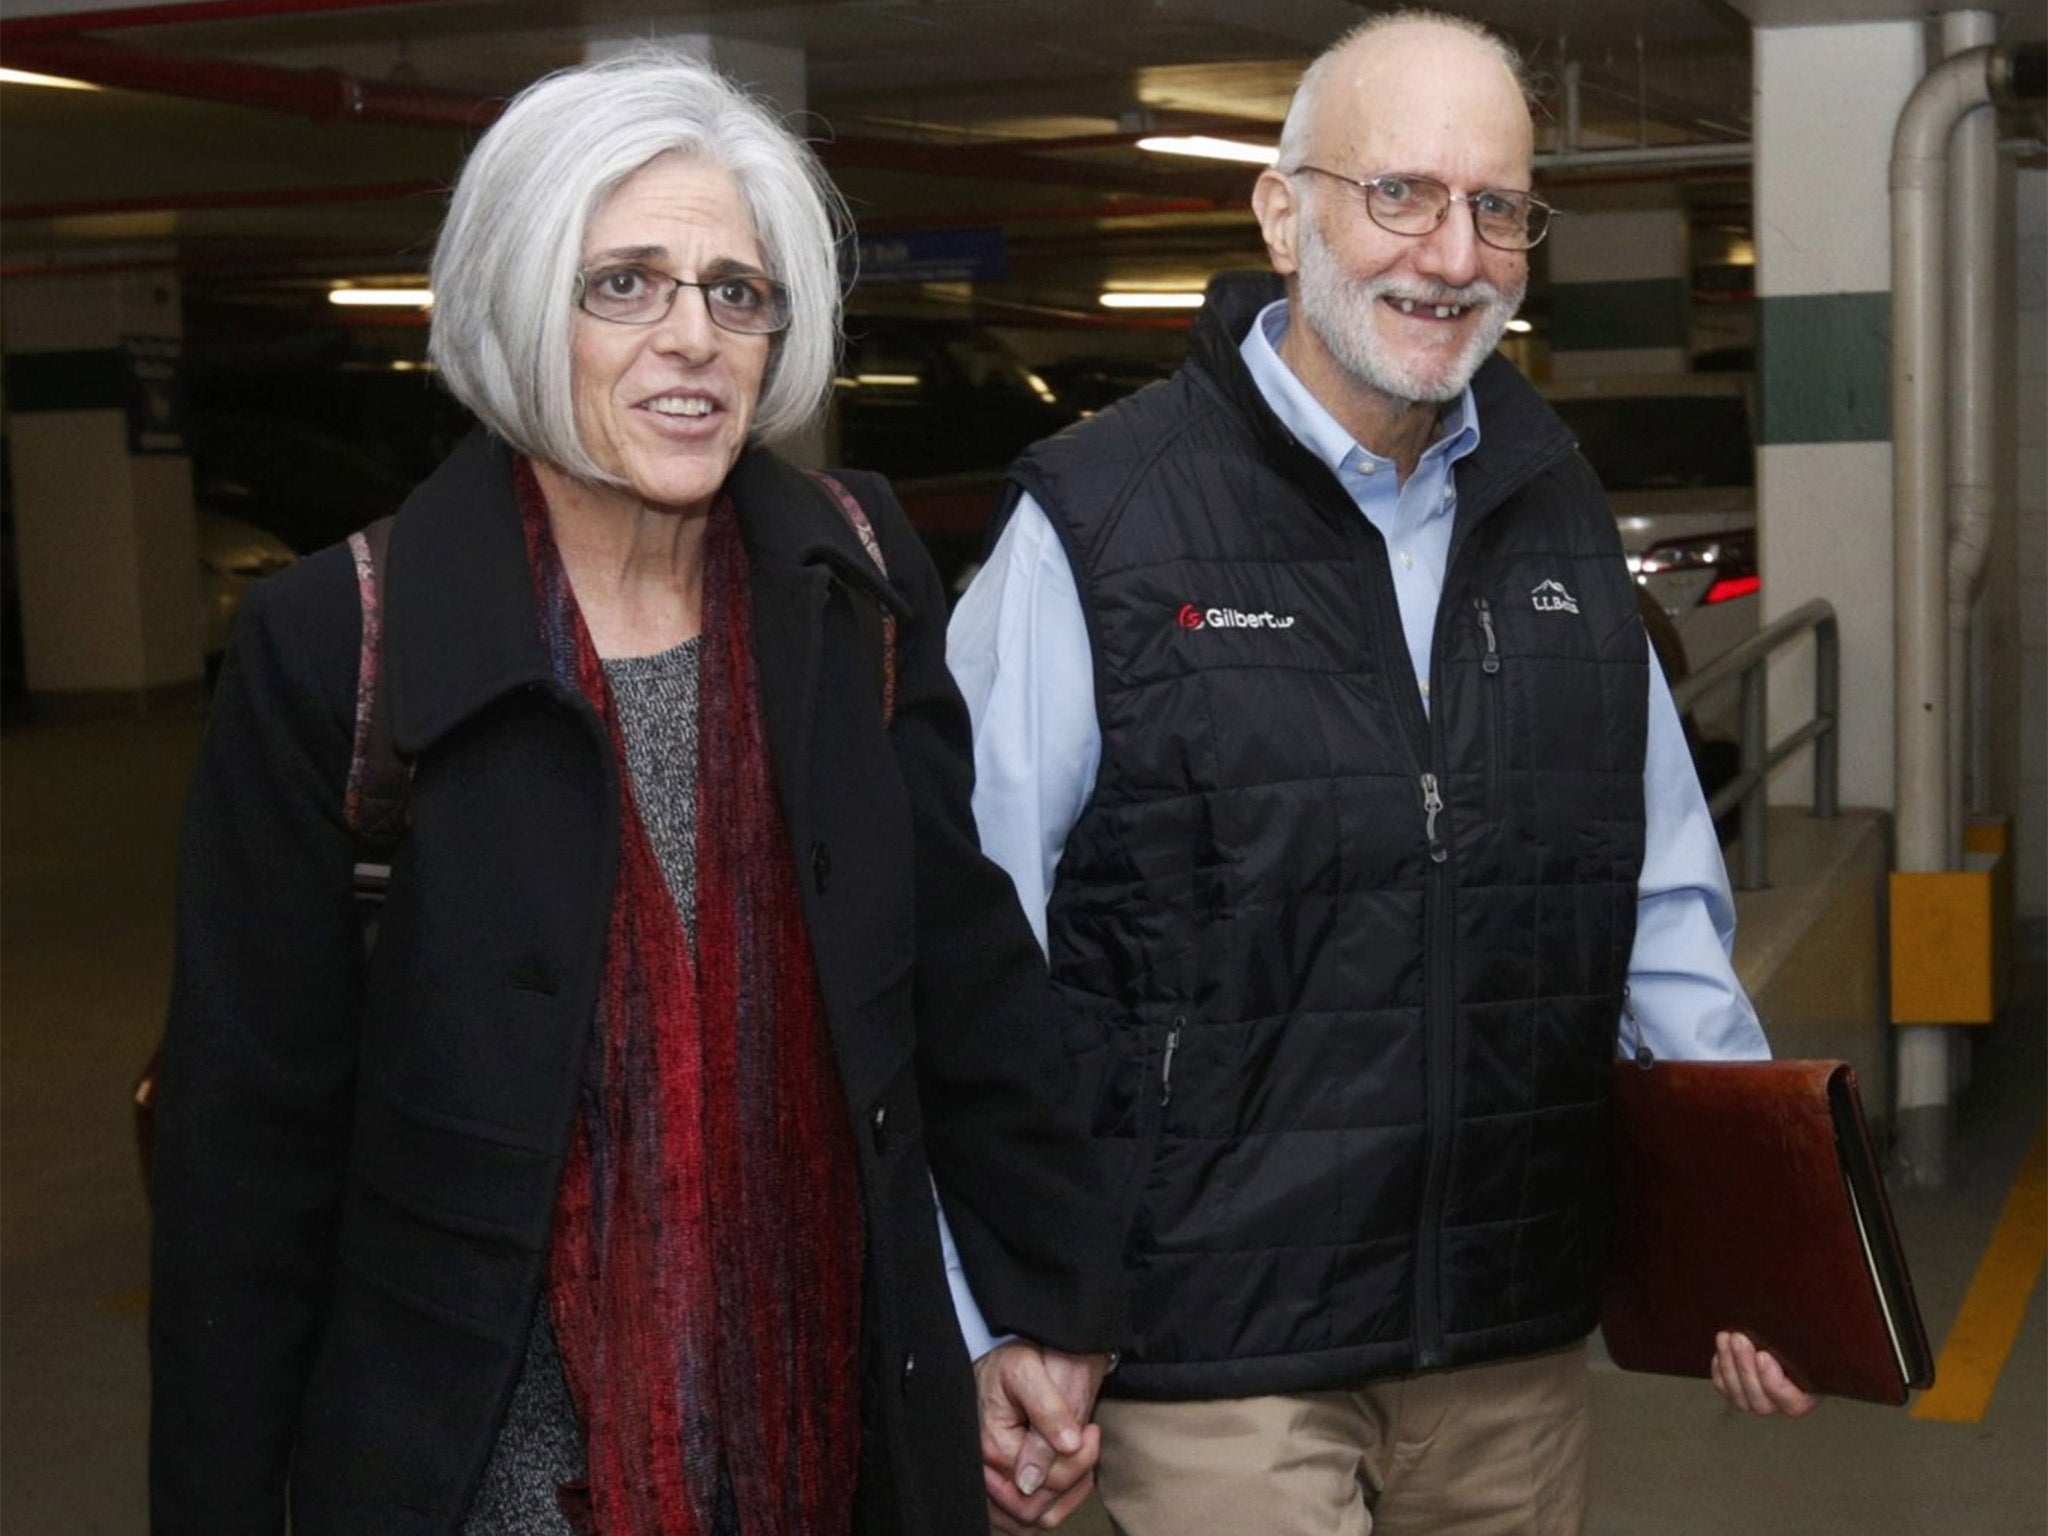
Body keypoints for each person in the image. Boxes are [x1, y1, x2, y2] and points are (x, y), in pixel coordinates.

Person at [149, 51, 1122, 1536]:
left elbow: (964, 973)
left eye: (737, 292)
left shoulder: (847, 587)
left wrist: (1043, 1298)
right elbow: (246, 1164)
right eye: (626, 286)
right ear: (519, 303)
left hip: (834, 1427)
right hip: (492, 1465)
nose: (695, 340)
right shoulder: (339, 645)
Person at [947, 12, 1815, 1535]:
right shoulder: (1099, 526)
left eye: (1498, 210)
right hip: (1211, 1336)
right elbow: (972, 950)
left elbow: (1664, 916)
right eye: (1399, 193)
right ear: (1284, 213)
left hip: (1506, 1328)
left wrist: (1750, 1238)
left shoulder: (1554, 518)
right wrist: (989, 1304)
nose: (1452, 254)